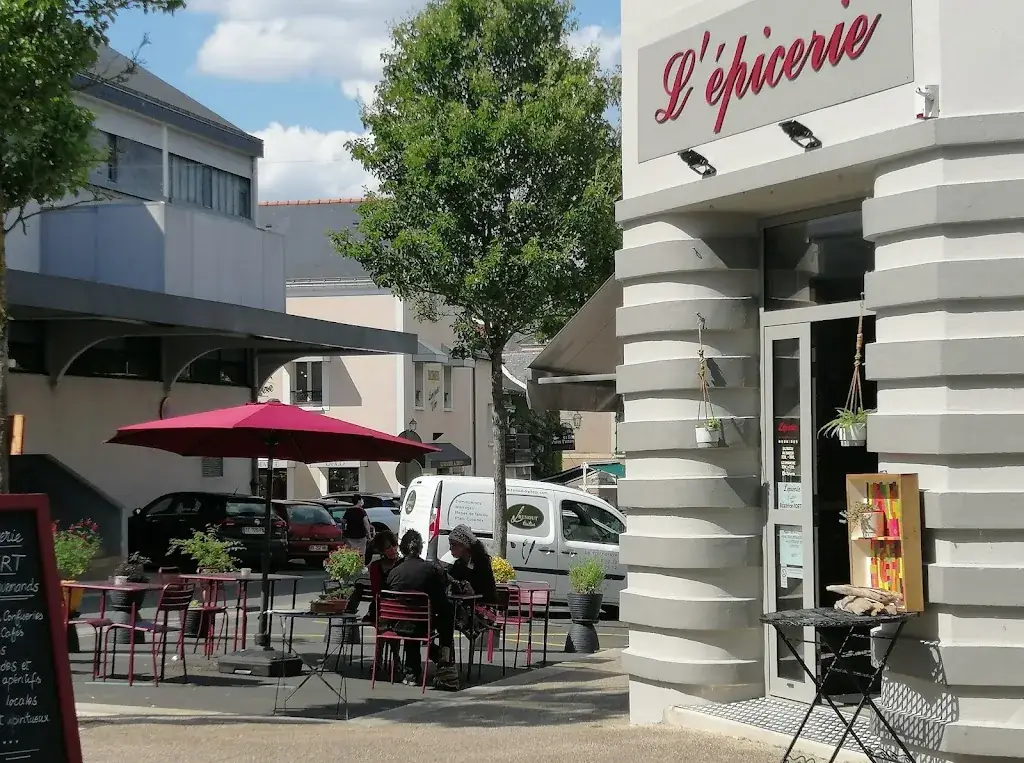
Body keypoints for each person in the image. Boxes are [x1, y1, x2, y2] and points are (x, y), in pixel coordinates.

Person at [383, 529, 458, 687]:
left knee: (411, 621)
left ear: (402, 548)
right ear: (420, 548)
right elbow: (441, 601)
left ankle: (412, 673)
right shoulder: (430, 570)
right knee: (447, 611)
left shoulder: (393, 573)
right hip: (423, 623)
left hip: (398, 624)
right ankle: (443, 654)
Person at [446, 524, 500, 637]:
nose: (450, 548)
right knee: (443, 615)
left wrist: (473, 593)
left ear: (464, 545)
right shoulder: (457, 565)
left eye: (453, 544)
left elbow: (488, 593)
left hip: (485, 608)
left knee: (449, 616)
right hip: (465, 606)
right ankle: (446, 647)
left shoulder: (482, 563)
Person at [364, 530, 399, 624]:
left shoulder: (402, 563)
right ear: (382, 550)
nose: (393, 549)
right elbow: (376, 592)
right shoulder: (376, 566)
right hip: (383, 606)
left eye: (394, 545)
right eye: (388, 547)